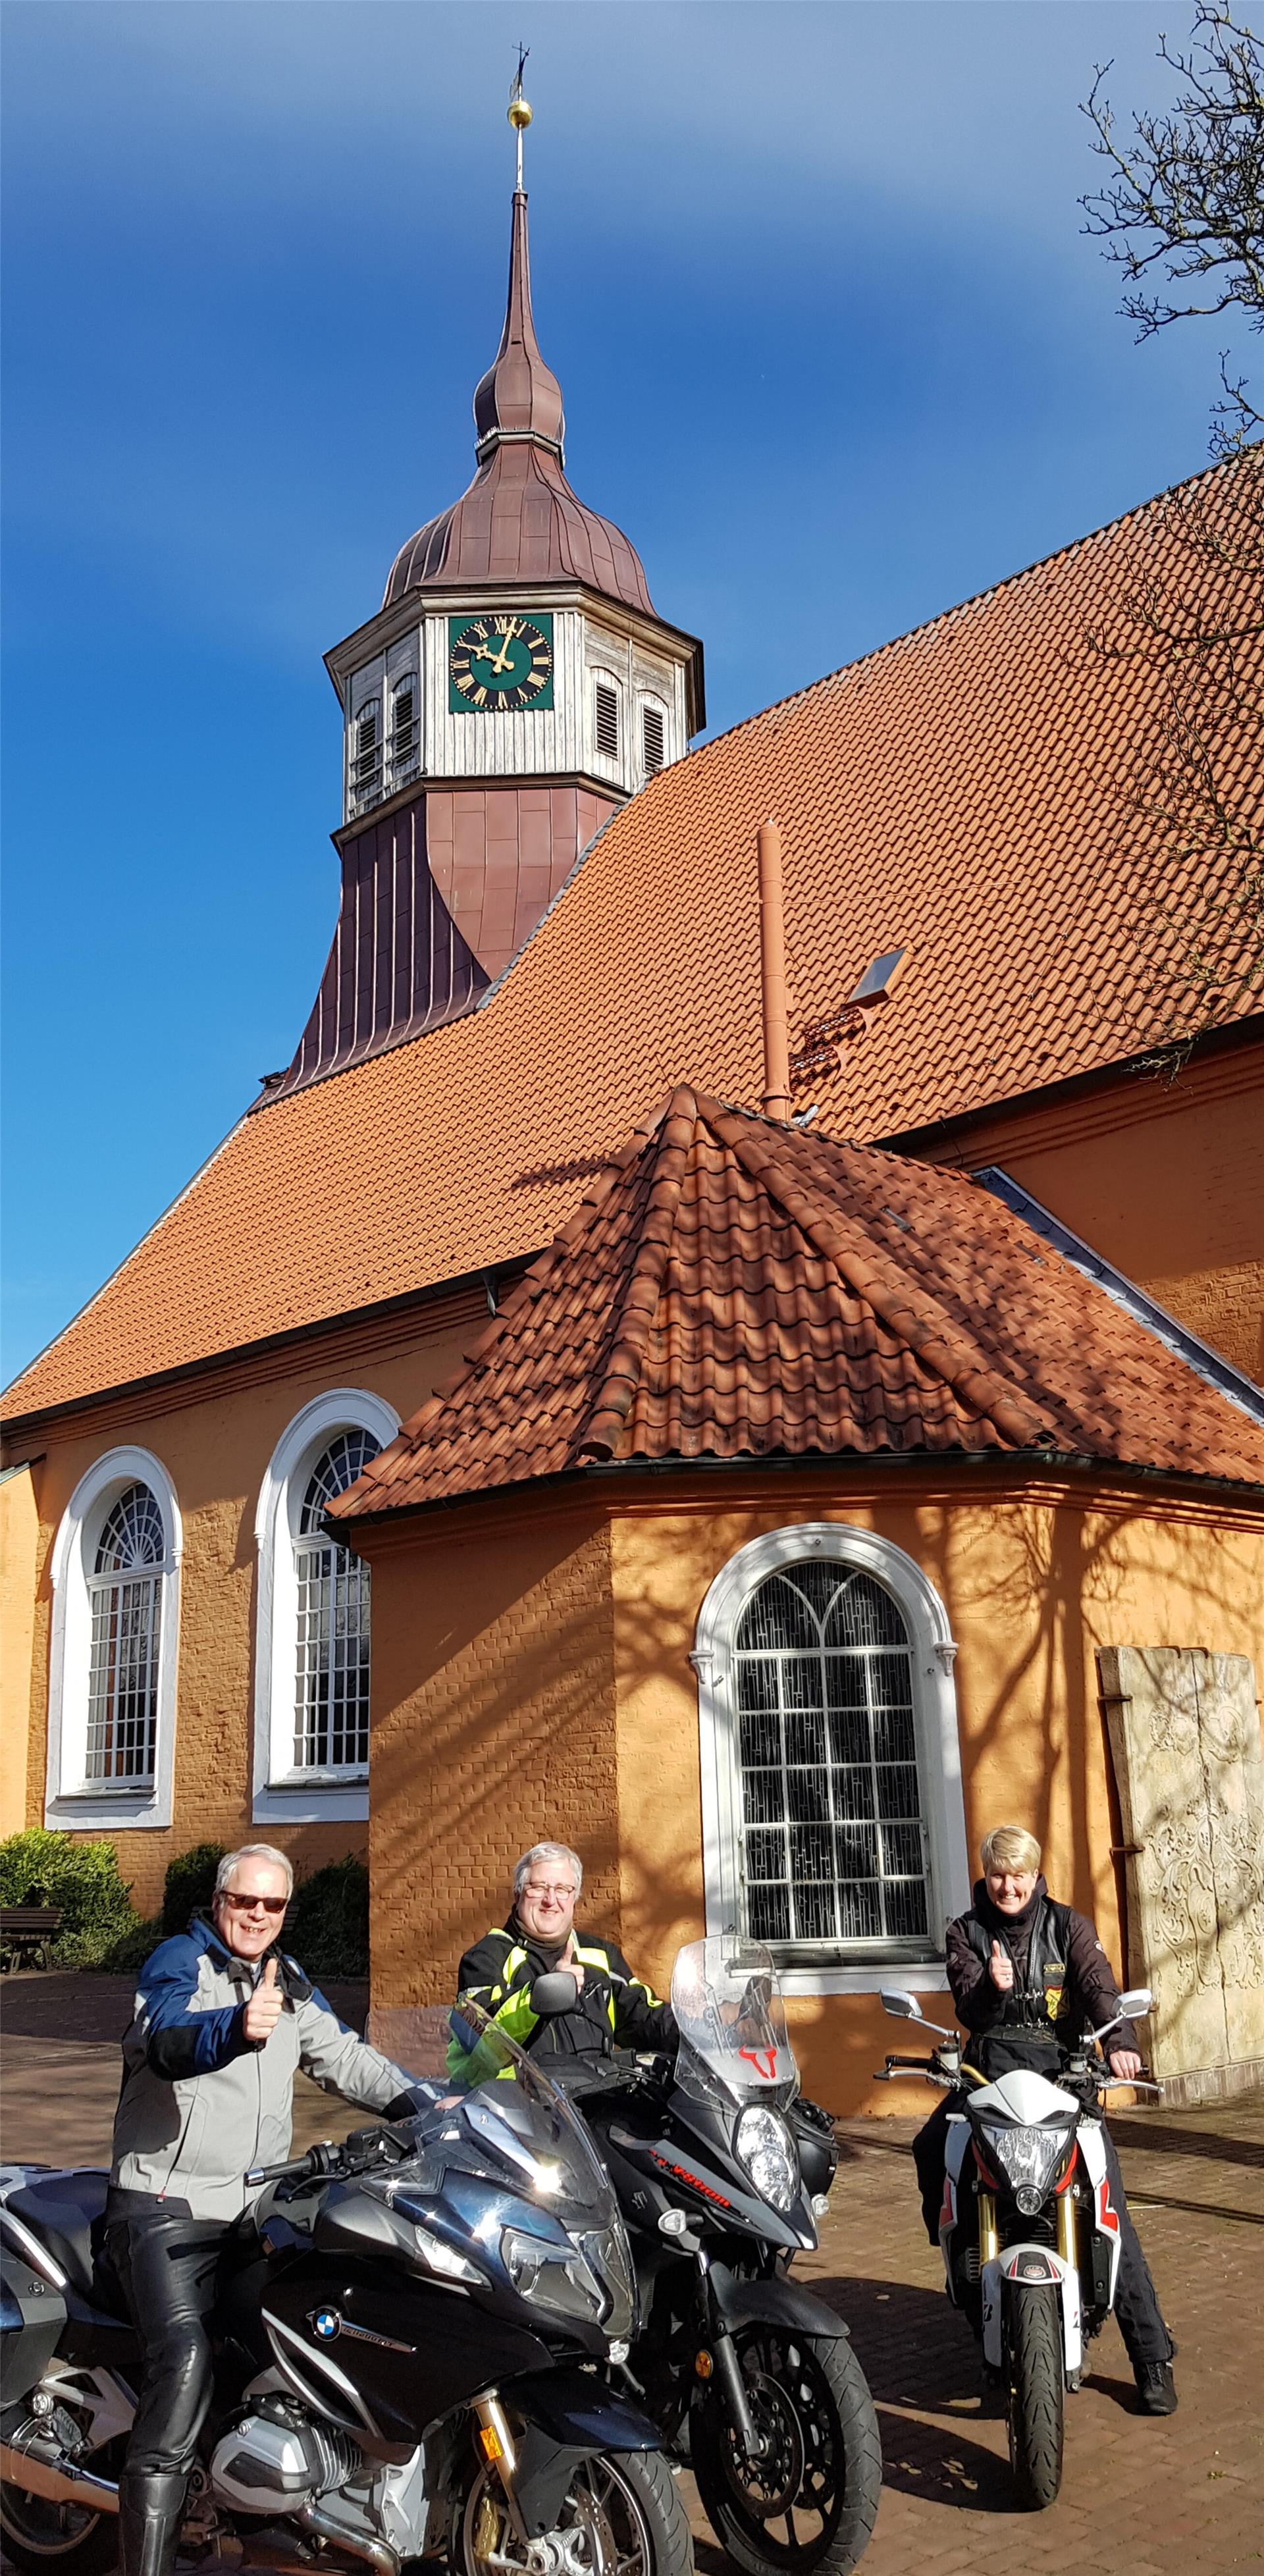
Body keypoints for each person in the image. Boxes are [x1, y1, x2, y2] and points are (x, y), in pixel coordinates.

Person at [105, 1843, 420, 2576]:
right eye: (243, 1901)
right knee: (182, 2360)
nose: (256, 1915)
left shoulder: (287, 1979)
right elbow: (166, 2039)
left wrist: (430, 2104)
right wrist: (235, 2028)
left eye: (271, 1904)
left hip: (247, 2215)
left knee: (304, 2336)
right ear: (219, 1901)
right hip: (163, 2209)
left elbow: (344, 2057)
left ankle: (266, 2502)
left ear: (284, 1911)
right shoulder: (177, 1962)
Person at [910, 1824, 1178, 2416]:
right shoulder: (966, 1931)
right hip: (987, 2076)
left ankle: (1152, 2357)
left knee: (1108, 2205)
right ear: (987, 1874)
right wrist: (991, 1987)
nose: (1009, 1885)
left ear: (1036, 1876)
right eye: (999, 1874)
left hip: (1064, 2075)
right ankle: (960, 2257)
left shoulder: (1068, 1925)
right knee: (930, 2145)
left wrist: (1120, 2041)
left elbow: (1098, 1985)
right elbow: (965, 2002)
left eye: (1020, 1875)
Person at [450, 1841, 674, 2070]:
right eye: (538, 1887)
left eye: (562, 1890)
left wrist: (697, 2031)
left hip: (596, 2095)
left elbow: (644, 2016)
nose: (550, 1900)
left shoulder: (599, 1955)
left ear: (575, 1897)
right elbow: (477, 2037)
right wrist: (539, 1995)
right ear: (517, 1893)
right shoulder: (485, 1957)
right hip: (522, 2098)